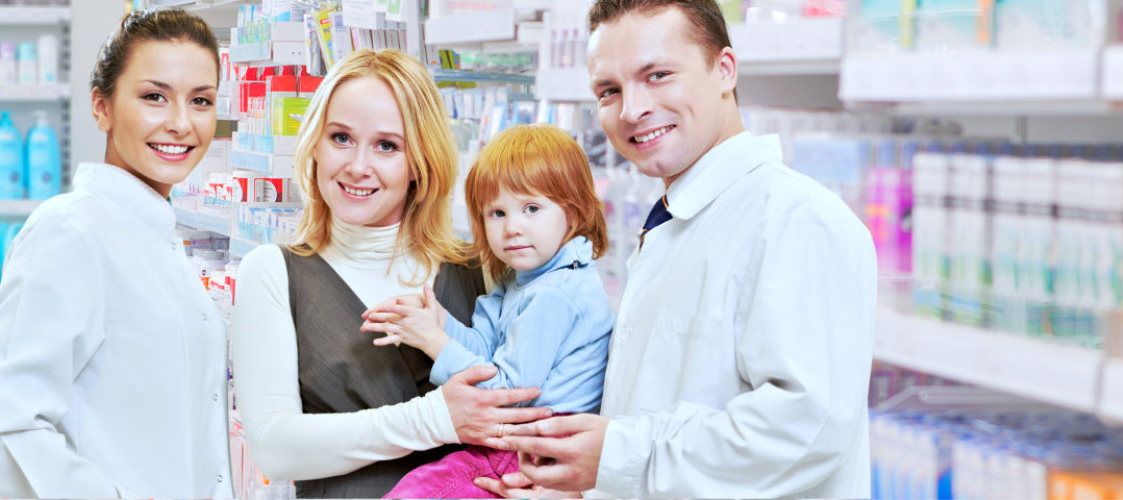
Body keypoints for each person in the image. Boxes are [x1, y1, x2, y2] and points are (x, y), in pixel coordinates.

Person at [476, 0, 878, 497]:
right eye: (609, 90)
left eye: (658, 74)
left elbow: (807, 431)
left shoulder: (799, 222)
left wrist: (617, 456)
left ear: (724, 70)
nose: (632, 109)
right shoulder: (675, 217)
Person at [230, 49, 554, 498]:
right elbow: (274, 447)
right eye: (341, 137)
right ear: (315, 146)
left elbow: (539, 399)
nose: (358, 165)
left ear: (420, 163)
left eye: (387, 146)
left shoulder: (478, 268)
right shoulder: (274, 273)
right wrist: (437, 419)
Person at [0, 9, 231, 497]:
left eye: (201, 101)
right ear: (101, 107)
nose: (180, 123)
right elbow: (6, 429)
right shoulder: (71, 230)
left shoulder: (157, 237)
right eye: (154, 97)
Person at [361, 124, 615, 499]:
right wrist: (440, 324)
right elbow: (485, 350)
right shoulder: (525, 281)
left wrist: (435, 342)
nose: (513, 227)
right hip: (519, 444)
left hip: (531, 450)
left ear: (573, 211)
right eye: (497, 213)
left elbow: (509, 395)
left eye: (531, 208)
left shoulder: (552, 296)